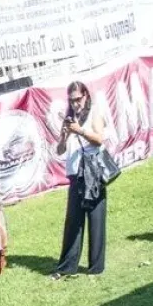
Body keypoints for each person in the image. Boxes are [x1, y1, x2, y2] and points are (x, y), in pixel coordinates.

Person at [52, 80, 109, 279]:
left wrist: (80, 131)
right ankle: (67, 266)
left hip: (93, 172)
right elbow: (60, 150)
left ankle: (96, 267)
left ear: (86, 96)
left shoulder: (94, 112)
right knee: (73, 221)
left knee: (96, 219)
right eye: (72, 100)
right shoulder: (69, 119)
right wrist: (64, 137)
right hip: (76, 174)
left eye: (78, 99)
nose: (75, 104)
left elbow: (99, 139)